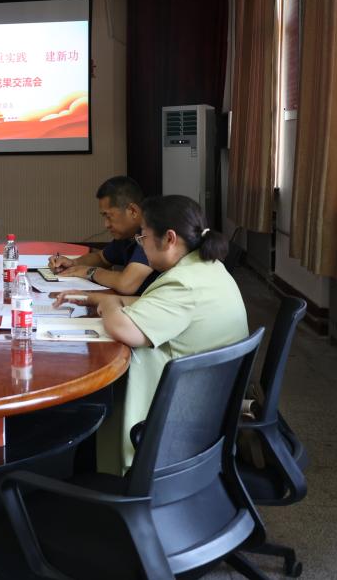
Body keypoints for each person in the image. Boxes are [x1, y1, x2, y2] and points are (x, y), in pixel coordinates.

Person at [53, 195, 247, 474]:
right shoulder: (205, 268)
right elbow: (154, 305)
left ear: (169, 238)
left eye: (143, 237)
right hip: (205, 397)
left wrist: (109, 303)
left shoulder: (184, 284)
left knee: (88, 394)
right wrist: (92, 298)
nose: (140, 245)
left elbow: (123, 328)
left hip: (177, 413)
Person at [48, 176, 158, 296]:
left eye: (109, 216)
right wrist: (73, 264)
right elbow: (101, 258)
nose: (106, 225)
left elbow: (126, 284)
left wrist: (89, 272)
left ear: (133, 211)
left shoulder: (151, 234)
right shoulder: (127, 235)